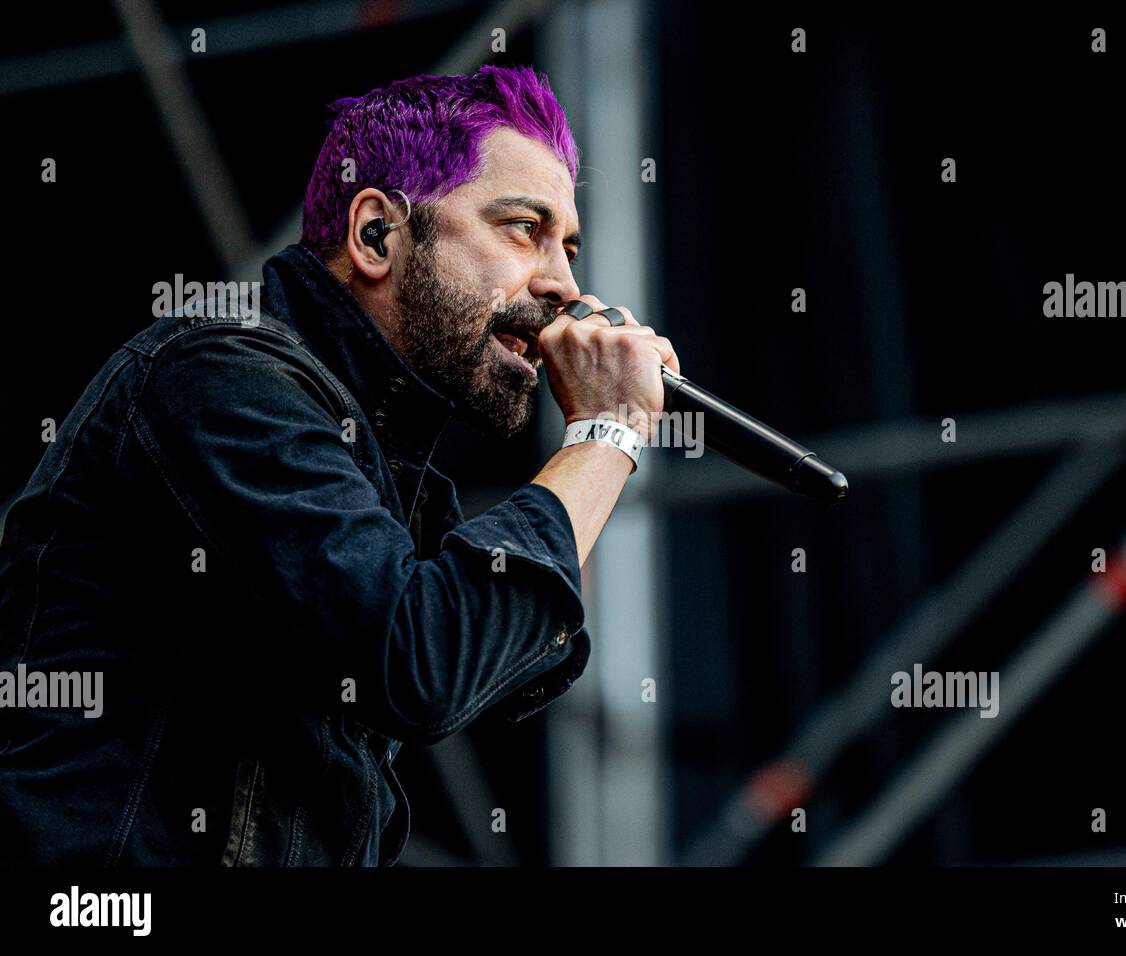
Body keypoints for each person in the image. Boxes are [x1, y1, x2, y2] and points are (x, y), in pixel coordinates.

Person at [0, 65, 678, 866]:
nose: (564, 285)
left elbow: (503, 659)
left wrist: (600, 450)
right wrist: (610, 430)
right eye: (522, 229)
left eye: (568, 246)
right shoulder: (218, 374)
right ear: (377, 235)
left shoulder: (389, 470)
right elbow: (422, 660)